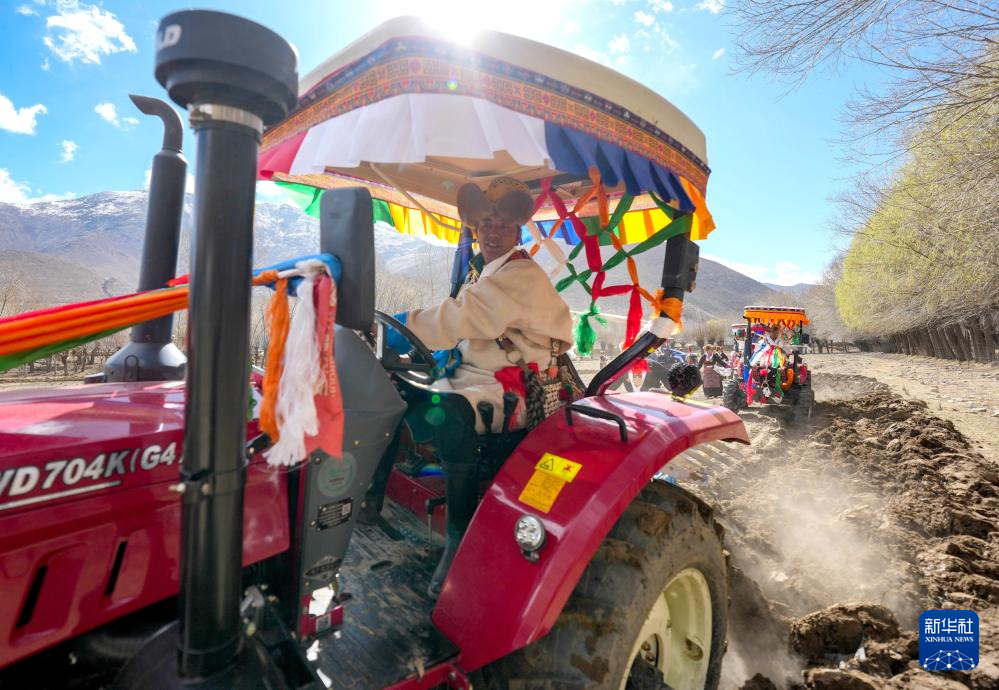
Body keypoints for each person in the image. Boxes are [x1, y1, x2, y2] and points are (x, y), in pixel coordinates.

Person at [364, 177, 574, 598]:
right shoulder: (487, 271)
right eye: (485, 225)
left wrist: (401, 326)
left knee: (451, 414)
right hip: (473, 372)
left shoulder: (520, 275)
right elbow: (465, 327)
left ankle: (458, 539)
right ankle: (372, 500)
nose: (492, 233)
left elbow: (462, 317)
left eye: (502, 226)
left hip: (511, 384)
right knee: (394, 387)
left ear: (517, 232)